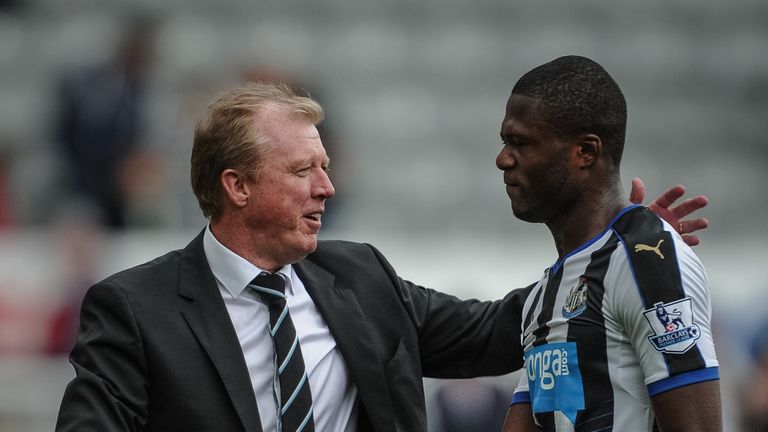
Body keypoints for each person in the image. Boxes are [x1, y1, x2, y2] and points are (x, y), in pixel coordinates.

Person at [56, 81, 708, 432]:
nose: (326, 187)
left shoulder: (358, 275)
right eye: (304, 170)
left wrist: (606, 256)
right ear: (238, 185)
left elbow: (499, 330)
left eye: (326, 167)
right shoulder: (135, 311)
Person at [497, 56, 721, 431]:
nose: (503, 159)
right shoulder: (546, 292)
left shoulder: (649, 265)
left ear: (586, 151)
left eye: (520, 143)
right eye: (505, 142)